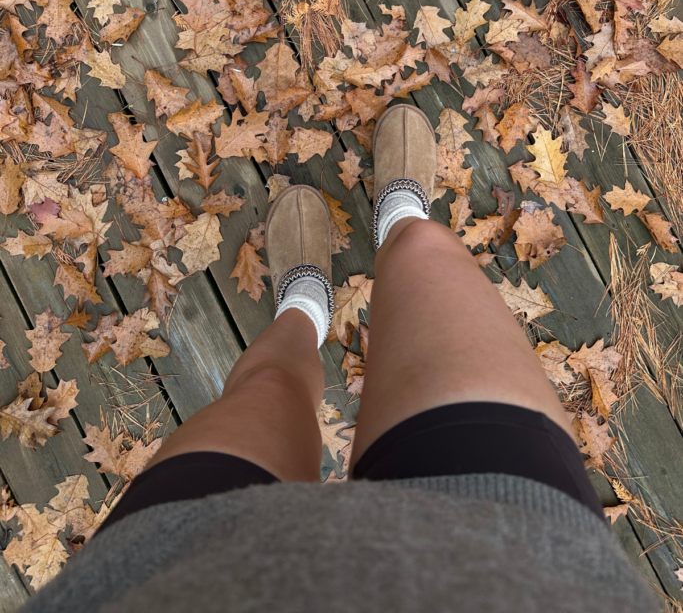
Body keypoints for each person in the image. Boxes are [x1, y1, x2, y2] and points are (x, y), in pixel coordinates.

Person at [26, 105, 655, 612]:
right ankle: (402, 219)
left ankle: (306, 307)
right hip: (517, 560)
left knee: (269, 384)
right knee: (428, 253)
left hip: (174, 574)